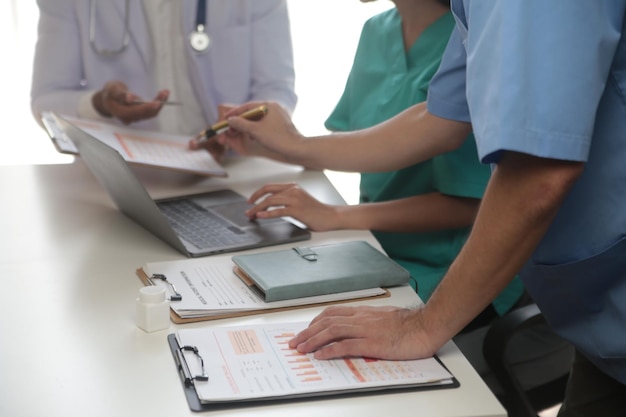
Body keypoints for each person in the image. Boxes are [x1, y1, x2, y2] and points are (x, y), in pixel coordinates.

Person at [222, 2, 626, 415]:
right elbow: (440, 120)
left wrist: (422, 325)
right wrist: (294, 145)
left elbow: (537, 176)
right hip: (600, 324)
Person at [30, 0, 297, 159]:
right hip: (121, 181)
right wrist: (99, 104)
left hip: (233, 168)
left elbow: (276, 90)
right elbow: (46, 101)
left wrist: (240, 127)